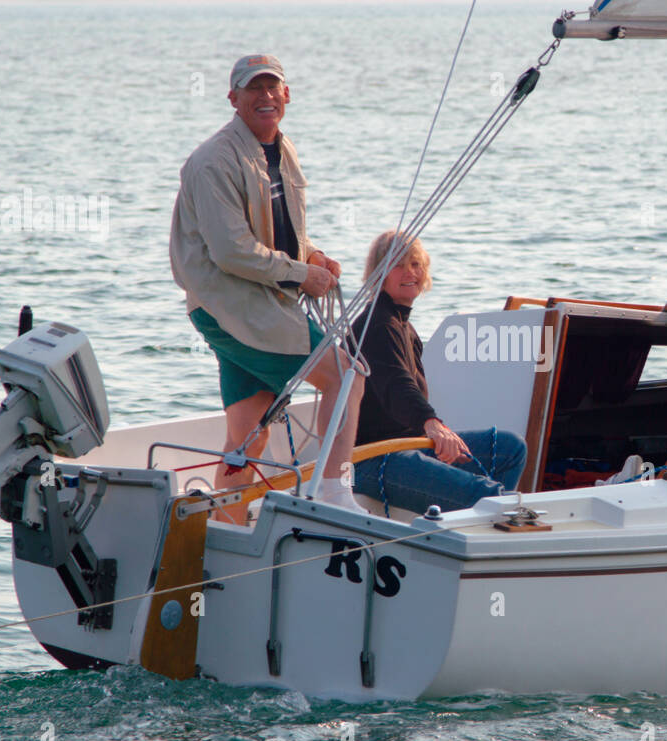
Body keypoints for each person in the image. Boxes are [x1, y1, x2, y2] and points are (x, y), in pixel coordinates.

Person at [170, 54, 364, 519]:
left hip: (253, 303)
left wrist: (311, 255)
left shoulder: (282, 149)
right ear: (233, 99)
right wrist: (301, 275)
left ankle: (224, 526)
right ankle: (332, 493)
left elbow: (283, 229)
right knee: (347, 376)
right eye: (253, 89)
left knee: (248, 434)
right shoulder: (213, 162)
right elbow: (232, 251)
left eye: (272, 87)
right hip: (234, 308)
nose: (265, 96)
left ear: (287, 94)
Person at [350, 231, 525, 514]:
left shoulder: (403, 326)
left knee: (510, 449)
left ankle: (472, 529)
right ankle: (490, 525)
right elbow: (398, 385)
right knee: (487, 495)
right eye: (398, 265)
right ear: (378, 274)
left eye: (416, 264)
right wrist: (432, 424)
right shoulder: (376, 324)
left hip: (408, 446)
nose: (410, 272)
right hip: (372, 457)